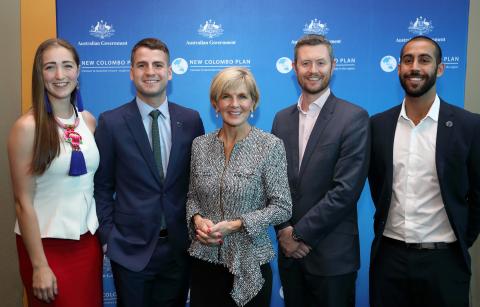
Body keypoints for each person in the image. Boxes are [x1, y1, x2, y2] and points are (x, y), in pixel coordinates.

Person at [368, 35, 480, 307]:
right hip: (389, 261)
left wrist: (459, 240)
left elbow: (478, 194)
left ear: (439, 69)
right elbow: (377, 186)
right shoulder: (378, 126)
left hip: (444, 262)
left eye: (424, 60)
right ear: (399, 68)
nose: (414, 67)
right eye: (408, 60)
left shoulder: (469, 126)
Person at [94, 38, 204, 307]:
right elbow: (101, 186)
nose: (150, 71)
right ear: (131, 73)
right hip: (130, 249)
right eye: (142, 65)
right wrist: (108, 237)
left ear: (169, 72)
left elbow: (199, 183)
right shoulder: (111, 122)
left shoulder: (190, 120)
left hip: (179, 248)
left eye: (157, 65)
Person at [271, 34, 370, 307]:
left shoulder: (353, 117)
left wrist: (298, 235)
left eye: (320, 63)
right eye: (306, 63)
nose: (313, 70)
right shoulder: (281, 119)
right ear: (294, 67)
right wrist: (284, 232)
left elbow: (345, 191)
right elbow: (273, 183)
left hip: (332, 259)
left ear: (333, 65)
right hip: (290, 257)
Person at [187, 67, 292, 307]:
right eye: (226, 96)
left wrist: (237, 224)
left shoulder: (270, 145)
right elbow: (192, 196)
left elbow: (282, 207)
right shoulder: (200, 145)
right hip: (205, 262)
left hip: (250, 264)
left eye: (243, 96)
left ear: (253, 103)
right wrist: (197, 219)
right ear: (216, 103)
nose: (235, 104)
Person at [8, 38, 102, 306]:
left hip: (87, 244)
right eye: (50, 67)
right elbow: (22, 202)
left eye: (67, 66)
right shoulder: (27, 128)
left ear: (78, 71)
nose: (60, 75)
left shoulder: (88, 121)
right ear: (40, 74)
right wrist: (39, 266)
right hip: (46, 249)